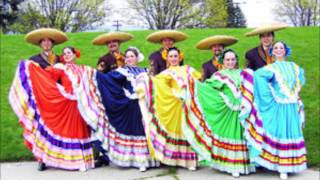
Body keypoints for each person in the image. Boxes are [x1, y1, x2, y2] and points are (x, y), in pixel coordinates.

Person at [9, 46, 95, 171]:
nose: (66, 55)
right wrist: (32, 67)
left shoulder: (83, 68)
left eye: (69, 53)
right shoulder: (61, 67)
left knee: (79, 130)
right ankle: (68, 162)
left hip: (79, 103)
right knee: (69, 130)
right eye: (64, 53)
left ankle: (81, 161)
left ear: (75, 55)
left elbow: (93, 79)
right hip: (66, 102)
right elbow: (46, 75)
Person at [240, 41, 307, 179]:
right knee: (281, 132)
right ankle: (282, 167)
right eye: (275, 48)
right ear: (272, 52)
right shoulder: (270, 68)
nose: (278, 50)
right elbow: (258, 76)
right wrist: (271, 95)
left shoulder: (294, 67)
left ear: (285, 50)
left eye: (281, 48)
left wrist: (294, 94)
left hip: (292, 105)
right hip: (279, 106)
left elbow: (301, 80)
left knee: (292, 132)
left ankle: (291, 164)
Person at [183, 49, 255, 177]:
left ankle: (243, 164)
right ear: (223, 61)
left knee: (241, 135)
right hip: (227, 112)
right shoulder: (218, 75)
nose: (230, 62)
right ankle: (232, 166)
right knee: (231, 135)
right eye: (228, 60)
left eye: (233, 59)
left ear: (236, 60)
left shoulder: (242, 73)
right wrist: (193, 84)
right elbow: (207, 88)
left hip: (243, 110)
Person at [90, 47, 159, 171]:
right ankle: (135, 161)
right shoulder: (122, 71)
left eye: (132, 56)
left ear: (137, 58)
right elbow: (107, 80)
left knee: (145, 131)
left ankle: (145, 160)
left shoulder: (146, 70)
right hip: (131, 106)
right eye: (127, 56)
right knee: (135, 131)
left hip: (146, 106)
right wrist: (96, 73)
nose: (129, 59)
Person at [136, 47, 200, 170]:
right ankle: (175, 159)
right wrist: (145, 79)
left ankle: (189, 162)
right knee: (176, 130)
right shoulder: (165, 73)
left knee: (187, 130)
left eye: (175, 56)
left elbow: (198, 82)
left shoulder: (188, 69)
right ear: (167, 58)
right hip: (173, 106)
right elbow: (156, 85)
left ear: (180, 57)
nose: (173, 59)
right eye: (171, 56)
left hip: (187, 104)